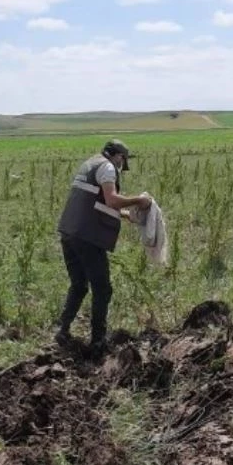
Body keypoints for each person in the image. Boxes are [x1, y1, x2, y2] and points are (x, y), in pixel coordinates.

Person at [55, 140, 151, 358]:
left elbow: (95, 201)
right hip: (87, 237)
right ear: (118, 156)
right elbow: (111, 199)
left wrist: (127, 216)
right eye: (122, 160)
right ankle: (98, 341)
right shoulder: (107, 168)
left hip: (69, 232)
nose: (121, 164)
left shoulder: (90, 163)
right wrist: (140, 201)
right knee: (102, 288)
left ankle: (62, 330)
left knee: (79, 285)